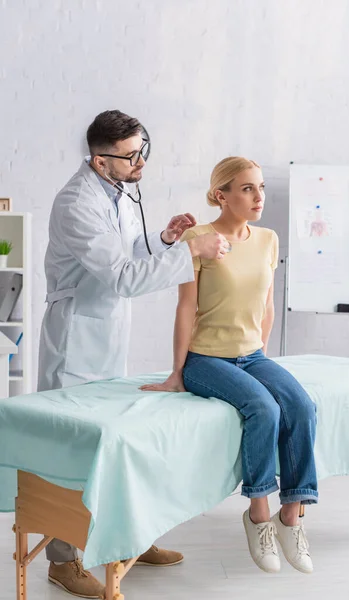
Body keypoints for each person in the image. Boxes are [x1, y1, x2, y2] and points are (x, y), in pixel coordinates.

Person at [38, 110, 230, 599]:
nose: (140, 161)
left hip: (108, 333)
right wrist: (192, 253)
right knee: (72, 451)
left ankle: (126, 540)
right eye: (130, 156)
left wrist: (163, 239)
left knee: (117, 443)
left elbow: (126, 253)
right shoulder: (77, 202)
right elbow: (122, 277)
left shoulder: (115, 191)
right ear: (101, 161)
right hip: (76, 338)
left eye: (142, 148)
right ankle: (62, 560)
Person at [141, 157, 318, 576]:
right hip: (206, 358)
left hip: (252, 355)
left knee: (302, 405)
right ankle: (258, 514)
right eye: (247, 189)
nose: (259, 197)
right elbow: (186, 308)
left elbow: (268, 303)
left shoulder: (268, 239)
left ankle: (291, 517)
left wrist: (261, 356)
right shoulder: (198, 237)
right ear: (221, 195)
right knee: (264, 409)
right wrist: (177, 372)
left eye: (260, 188)